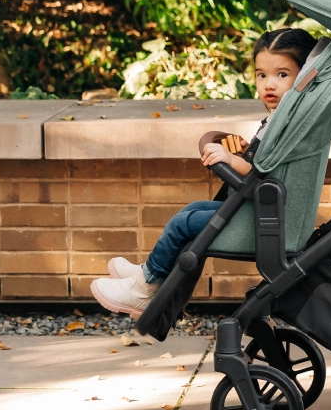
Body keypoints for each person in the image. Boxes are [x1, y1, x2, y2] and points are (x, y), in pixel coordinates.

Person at [91, 28, 318, 316]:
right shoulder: (290, 115)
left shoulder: (286, 122)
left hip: (263, 221)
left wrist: (230, 160)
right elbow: (268, 161)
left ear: (305, 75)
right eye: (262, 75)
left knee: (181, 224)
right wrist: (242, 151)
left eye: (282, 75)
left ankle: (144, 288)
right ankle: (149, 270)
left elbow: (263, 171)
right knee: (194, 209)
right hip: (265, 212)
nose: (269, 84)